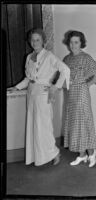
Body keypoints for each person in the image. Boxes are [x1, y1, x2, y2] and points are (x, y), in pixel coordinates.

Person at [10, 28, 70, 166]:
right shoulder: (29, 57)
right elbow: (28, 78)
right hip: (31, 94)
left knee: (44, 126)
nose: (35, 42)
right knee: (34, 126)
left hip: (43, 94)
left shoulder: (49, 56)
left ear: (43, 41)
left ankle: (54, 153)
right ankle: (38, 157)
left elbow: (65, 70)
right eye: (32, 40)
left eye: (38, 39)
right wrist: (17, 87)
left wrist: (55, 86)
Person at [63, 30, 96, 167]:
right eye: (71, 42)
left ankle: (91, 153)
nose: (73, 45)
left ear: (81, 43)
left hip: (81, 95)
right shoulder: (67, 59)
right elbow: (63, 78)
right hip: (71, 95)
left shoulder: (85, 57)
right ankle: (82, 154)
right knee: (74, 123)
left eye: (76, 42)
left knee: (83, 123)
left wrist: (88, 84)